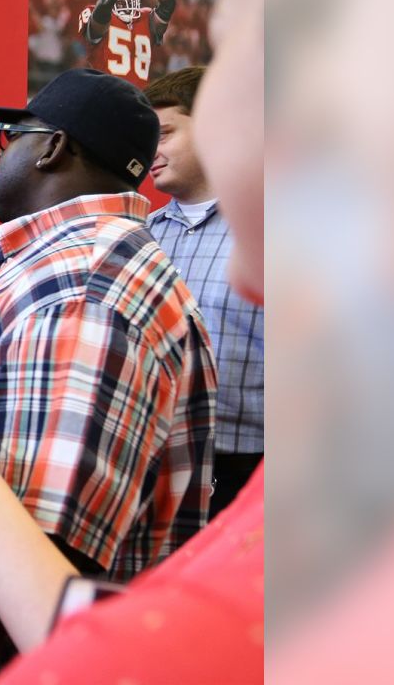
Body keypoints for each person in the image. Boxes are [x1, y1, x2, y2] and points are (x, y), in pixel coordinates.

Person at [0, 0, 264, 679]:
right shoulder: (77, 264)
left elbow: (51, 536)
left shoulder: (84, 292)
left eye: (10, 134)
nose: (0, 152)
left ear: (52, 148)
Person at [145, 66, 264, 517]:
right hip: (159, 465)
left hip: (250, 471)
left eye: (166, 133)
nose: (151, 151)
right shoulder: (143, 235)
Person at [78, 0, 176, 88]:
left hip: (140, 97)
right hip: (108, 95)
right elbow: (104, 5)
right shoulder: (95, 13)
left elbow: (168, 4)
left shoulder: (145, 18)